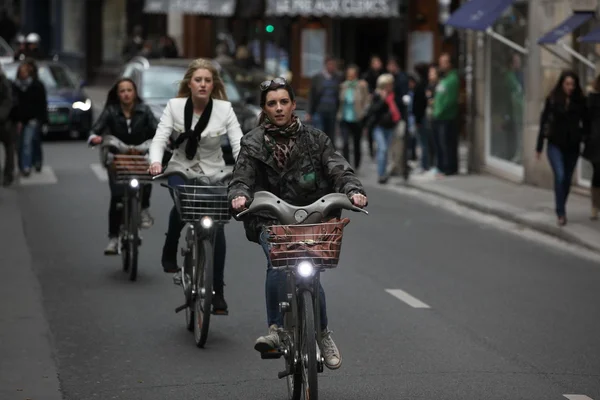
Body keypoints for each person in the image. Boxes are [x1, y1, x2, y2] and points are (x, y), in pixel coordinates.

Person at [228, 77, 368, 370]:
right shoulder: (251, 142)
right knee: (279, 262)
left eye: (283, 102)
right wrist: (240, 196)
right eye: (271, 103)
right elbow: (242, 178)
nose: (278, 108)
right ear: (264, 109)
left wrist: (353, 190)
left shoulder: (316, 139)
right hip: (271, 220)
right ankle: (277, 330)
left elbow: (338, 169)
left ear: (293, 105)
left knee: (311, 271)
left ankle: (322, 332)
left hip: (313, 220)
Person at [149, 58, 243, 314]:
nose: (202, 84)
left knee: (218, 225)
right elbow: (159, 139)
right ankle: (170, 246)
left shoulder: (224, 109)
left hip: (214, 172)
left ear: (214, 85)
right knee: (182, 199)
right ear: (189, 83)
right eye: (198, 80)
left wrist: (245, 168)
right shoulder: (175, 106)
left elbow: (238, 143)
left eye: (207, 80)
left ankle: (217, 292)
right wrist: (156, 162)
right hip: (181, 167)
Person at [88, 78, 158, 254]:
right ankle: (113, 238)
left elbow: (157, 130)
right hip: (117, 161)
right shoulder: (111, 111)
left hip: (140, 159)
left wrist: (166, 139)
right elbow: (96, 130)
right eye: (122, 91)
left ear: (135, 93)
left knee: (147, 180)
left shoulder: (145, 111)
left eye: (129, 90)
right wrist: (94, 138)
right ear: (117, 95)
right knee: (117, 197)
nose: (126, 94)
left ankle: (143, 209)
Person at [536, 70, 589, 226]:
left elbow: (586, 122)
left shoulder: (580, 101)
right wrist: (539, 146)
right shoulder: (553, 100)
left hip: (572, 146)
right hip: (555, 144)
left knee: (566, 179)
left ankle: (561, 205)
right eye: (567, 84)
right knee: (559, 176)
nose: (570, 87)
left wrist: (584, 137)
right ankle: (561, 212)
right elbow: (544, 122)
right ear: (561, 84)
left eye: (572, 84)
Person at [11, 60, 47, 176]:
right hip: (18, 120)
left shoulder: (36, 85)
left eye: (25, 72)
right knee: (19, 144)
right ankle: (23, 165)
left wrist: (43, 119)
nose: (23, 74)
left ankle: (27, 166)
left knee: (28, 142)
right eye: (21, 72)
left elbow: (41, 104)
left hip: (32, 119)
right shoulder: (15, 86)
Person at [364, 73, 401, 183]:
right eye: (389, 84)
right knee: (383, 149)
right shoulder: (377, 95)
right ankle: (381, 174)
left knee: (386, 151)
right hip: (379, 126)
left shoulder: (394, 95)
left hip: (390, 126)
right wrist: (382, 100)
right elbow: (373, 110)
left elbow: (398, 109)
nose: (390, 86)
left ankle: (384, 173)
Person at [337, 64, 369, 170]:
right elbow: (339, 101)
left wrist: (363, 114)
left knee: (356, 143)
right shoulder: (343, 86)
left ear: (356, 75)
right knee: (345, 142)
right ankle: (347, 165)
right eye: (348, 75)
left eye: (352, 75)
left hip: (357, 118)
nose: (350, 77)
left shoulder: (362, 85)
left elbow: (366, 101)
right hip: (344, 118)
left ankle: (357, 164)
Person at [433, 53, 460, 176]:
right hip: (439, 116)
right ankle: (442, 167)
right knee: (441, 143)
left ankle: (449, 168)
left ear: (450, 64)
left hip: (447, 117)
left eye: (444, 62)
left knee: (447, 144)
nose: (441, 65)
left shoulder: (453, 79)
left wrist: (439, 111)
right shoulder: (444, 79)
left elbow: (450, 100)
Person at [306, 56, 343, 145]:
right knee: (320, 134)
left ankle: (329, 155)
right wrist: (309, 112)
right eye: (330, 64)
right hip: (319, 111)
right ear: (326, 65)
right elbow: (311, 95)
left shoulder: (338, 77)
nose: (332, 66)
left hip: (332, 111)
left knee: (331, 136)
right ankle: (319, 155)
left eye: (333, 65)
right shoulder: (317, 77)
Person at [583, 75, 600, 220]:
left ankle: (595, 206)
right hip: (596, 142)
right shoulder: (593, 99)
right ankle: (595, 206)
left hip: (594, 141)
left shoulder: (591, 98)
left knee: (597, 174)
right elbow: (587, 120)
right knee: (597, 173)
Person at [0, 63, 14, 186]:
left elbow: (8, 100)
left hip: (4, 122)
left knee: (9, 148)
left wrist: (2, 115)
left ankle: (8, 175)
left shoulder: (4, 82)